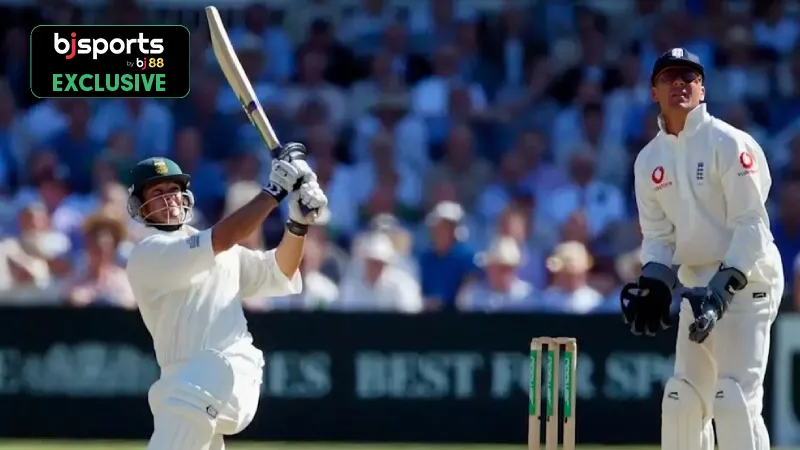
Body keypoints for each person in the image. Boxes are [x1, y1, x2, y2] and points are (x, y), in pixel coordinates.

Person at [621, 48, 782, 450]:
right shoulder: (648, 161)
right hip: (696, 286)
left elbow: (752, 225)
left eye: (688, 77)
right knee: (681, 399)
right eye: (670, 77)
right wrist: (655, 283)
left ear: (702, 89)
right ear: (654, 91)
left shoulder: (728, 143)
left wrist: (723, 289)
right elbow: (659, 237)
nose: (679, 83)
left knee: (733, 398)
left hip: (748, 281)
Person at [124, 144, 328, 450]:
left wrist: (297, 226)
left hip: (232, 369)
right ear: (140, 206)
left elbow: (280, 271)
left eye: (173, 189)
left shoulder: (222, 252)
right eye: (157, 193)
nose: (168, 197)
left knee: (202, 375)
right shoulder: (148, 253)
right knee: (176, 399)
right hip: (180, 384)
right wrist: (274, 191)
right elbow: (220, 238)